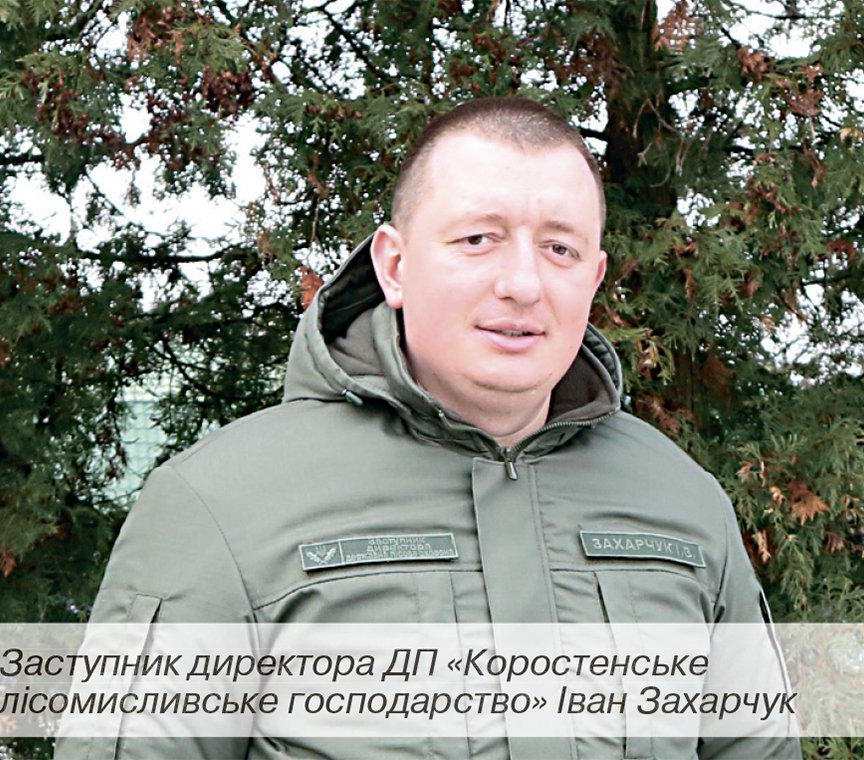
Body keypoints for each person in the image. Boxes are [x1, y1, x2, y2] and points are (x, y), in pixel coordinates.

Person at [56, 96, 800, 758]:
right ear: (395, 265)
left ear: (594, 277)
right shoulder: (220, 503)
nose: (522, 284)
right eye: (478, 239)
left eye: (559, 249)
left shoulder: (681, 502)